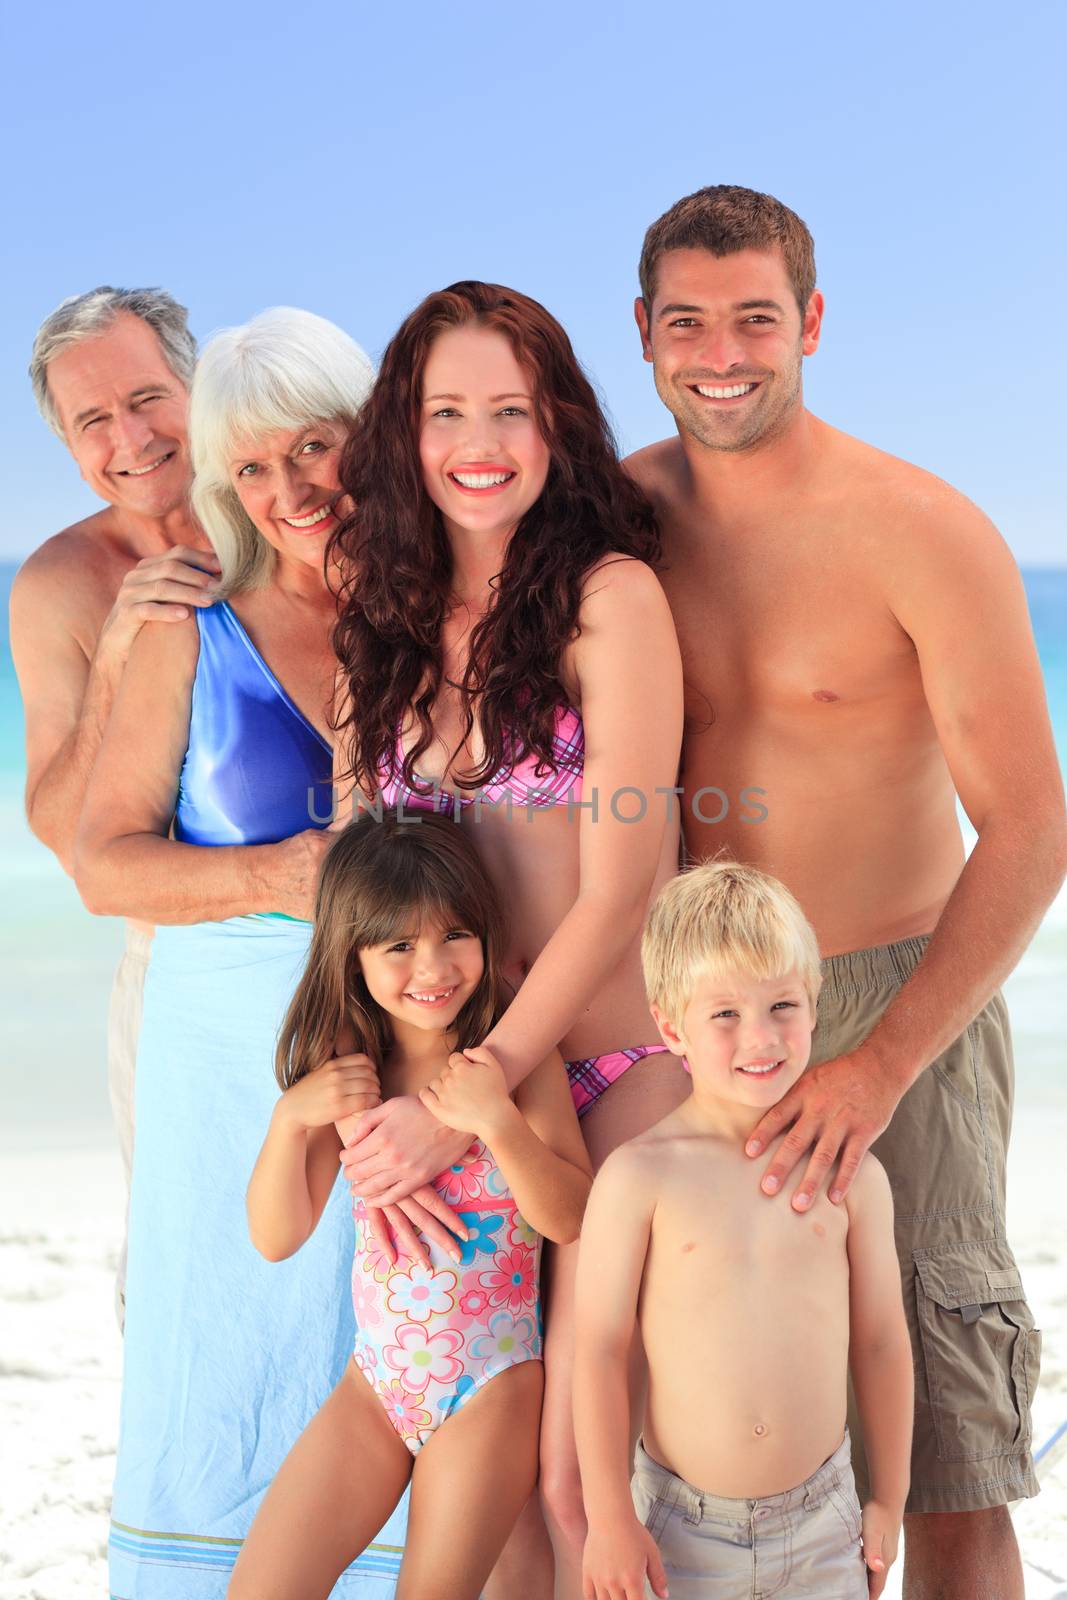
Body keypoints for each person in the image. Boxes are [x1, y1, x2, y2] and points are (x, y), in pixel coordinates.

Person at [626, 183, 1067, 1599]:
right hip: (675, 1014)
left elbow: (1028, 827)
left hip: (886, 996)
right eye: (685, 321)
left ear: (809, 323)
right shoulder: (610, 523)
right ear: (640, 333)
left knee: (939, 1449)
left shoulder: (919, 529)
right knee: (681, 1438)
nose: (721, 352)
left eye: (754, 317)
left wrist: (879, 1064)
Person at [329, 280, 691, 1596]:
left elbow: (621, 884)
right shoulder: (373, 615)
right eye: (443, 412)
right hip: (448, 1092)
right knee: (487, 1502)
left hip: (610, 1069)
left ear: (556, 428)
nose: (476, 442)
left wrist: (467, 1100)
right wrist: (387, 1104)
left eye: (509, 410)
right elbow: (357, 889)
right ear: (401, 435)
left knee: (589, 1480)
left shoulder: (610, 600)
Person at [72, 308, 403, 1599]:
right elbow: (104, 866)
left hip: (411, 1038)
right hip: (223, 1059)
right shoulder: (185, 625)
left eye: (312, 449)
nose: (287, 492)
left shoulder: (438, 614)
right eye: (251, 467)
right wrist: (280, 874)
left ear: (363, 435)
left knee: (394, 1350)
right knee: (226, 1351)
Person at [231, 812, 592, 1600]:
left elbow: (572, 1218)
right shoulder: (350, 1072)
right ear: (351, 956)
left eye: (454, 934)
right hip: (377, 1385)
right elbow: (275, 1237)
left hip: (490, 1385)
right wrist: (290, 1118)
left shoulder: (512, 1060)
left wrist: (494, 1119)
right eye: (398, 945)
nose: (432, 966)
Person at [575, 860, 913, 1600]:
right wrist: (606, 1518)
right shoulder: (640, 1176)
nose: (759, 1037)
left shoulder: (852, 1176)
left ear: (814, 1004)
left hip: (825, 1523)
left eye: (781, 1005)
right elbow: (599, 1348)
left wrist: (886, 1496)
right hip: (679, 1528)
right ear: (672, 1027)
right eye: (724, 1014)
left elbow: (882, 1339)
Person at [11, 287, 221, 1321]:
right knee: (186, 1272)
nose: (130, 438)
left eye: (148, 398)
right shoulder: (59, 583)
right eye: (93, 421)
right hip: (172, 963)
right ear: (65, 441)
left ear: (197, 384)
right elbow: (60, 832)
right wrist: (121, 657)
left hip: (346, 941)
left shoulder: (286, 510)